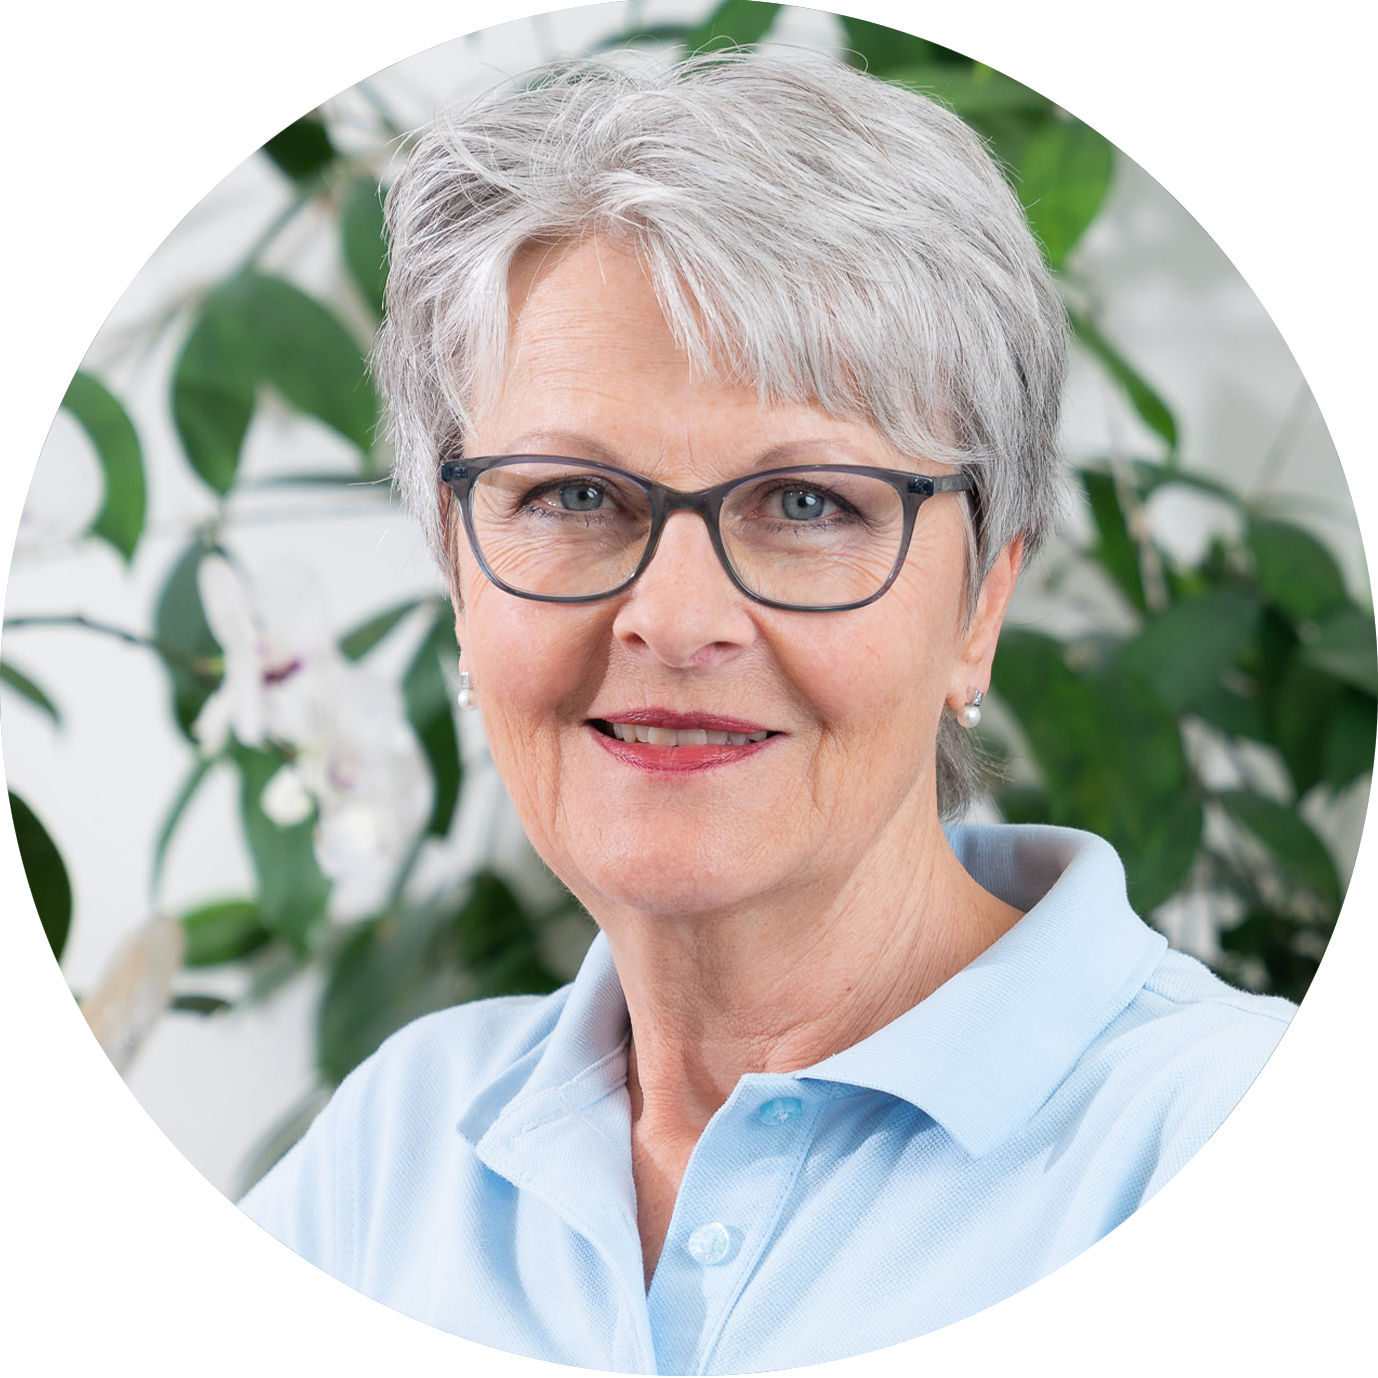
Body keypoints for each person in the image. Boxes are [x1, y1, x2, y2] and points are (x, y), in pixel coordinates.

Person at [62, 46, 1377, 1376]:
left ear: (980, 605)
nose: (676, 618)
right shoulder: (407, 1139)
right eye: (573, 495)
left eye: (808, 503)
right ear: (457, 574)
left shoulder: (1266, 1177)